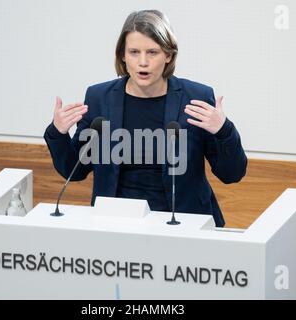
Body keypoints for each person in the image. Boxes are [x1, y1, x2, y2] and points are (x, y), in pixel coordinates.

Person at [44, 10, 247, 227]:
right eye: (134, 52)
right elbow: (74, 170)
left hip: (183, 223)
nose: (143, 62)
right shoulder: (99, 98)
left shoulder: (195, 98)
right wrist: (58, 132)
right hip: (116, 223)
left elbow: (231, 174)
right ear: (122, 55)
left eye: (152, 52)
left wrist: (223, 130)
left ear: (168, 55)